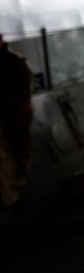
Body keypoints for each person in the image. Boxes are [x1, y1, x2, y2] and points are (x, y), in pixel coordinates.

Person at [0, 35, 34, 206]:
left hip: (12, 113)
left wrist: (22, 108)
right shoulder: (13, 61)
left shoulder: (13, 62)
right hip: (9, 114)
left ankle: (19, 180)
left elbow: (25, 88)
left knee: (17, 147)